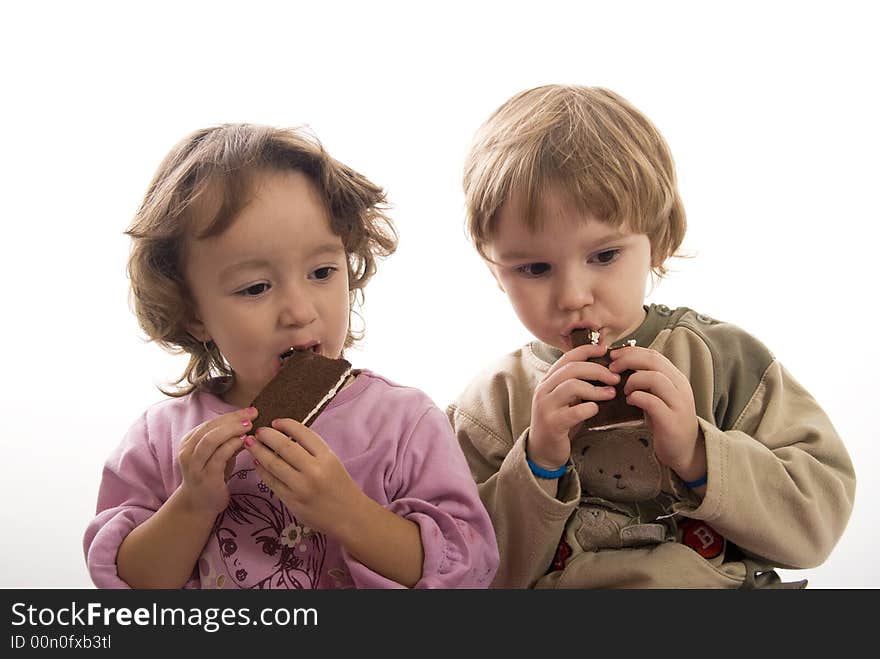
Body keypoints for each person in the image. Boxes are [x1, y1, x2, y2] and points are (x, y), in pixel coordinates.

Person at [447, 85, 856, 588]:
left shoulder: (725, 363)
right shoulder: (490, 406)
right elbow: (464, 574)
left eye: (604, 256)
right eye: (534, 267)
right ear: (495, 272)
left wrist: (697, 452)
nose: (573, 295)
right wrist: (538, 463)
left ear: (658, 240)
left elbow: (815, 528)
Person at [84, 123, 499, 589]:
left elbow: (469, 567)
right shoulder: (163, 440)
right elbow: (126, 585)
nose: (300, 312)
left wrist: (346, 511)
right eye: (256, 287)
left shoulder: (404, 423)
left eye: (322, 271)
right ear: (194, 313)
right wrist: (192, 503)